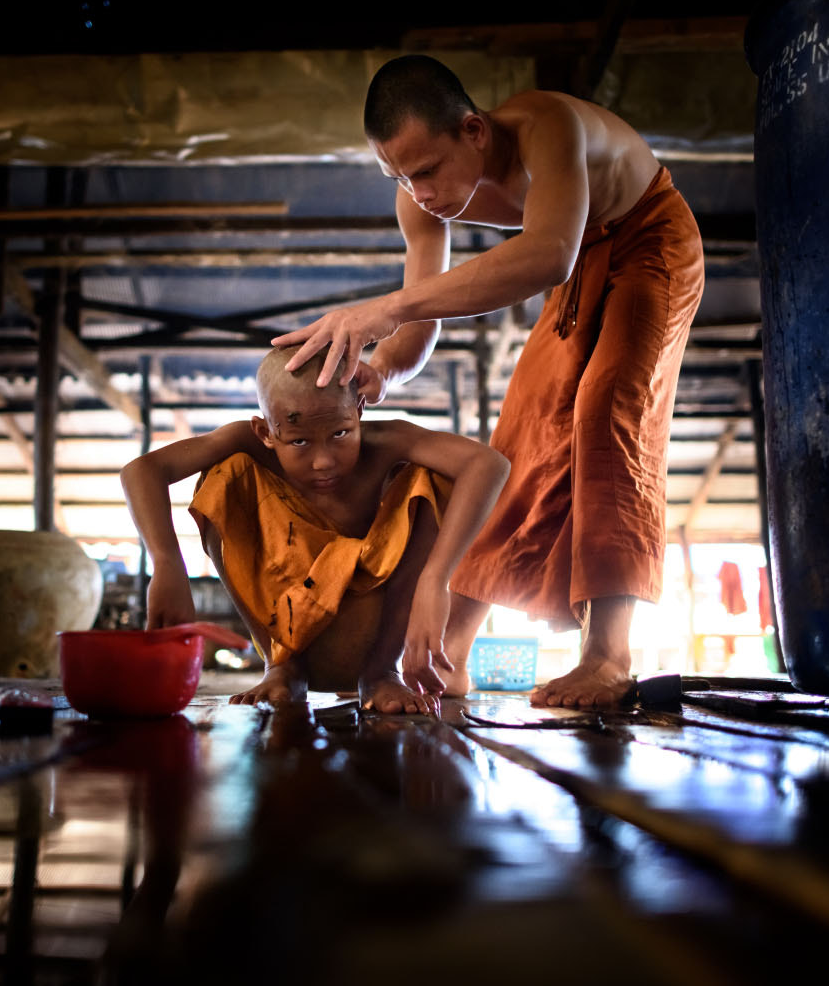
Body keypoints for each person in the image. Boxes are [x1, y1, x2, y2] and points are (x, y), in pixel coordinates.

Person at [273, 54, 705, 709]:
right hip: (578, 259)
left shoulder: (548, 125)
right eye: (398, 175)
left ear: (474, 131)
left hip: (650, 237)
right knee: (517, 437)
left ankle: (609, 654)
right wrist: (380, 366)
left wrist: (383, 310)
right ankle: (449, 654)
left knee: (605, 409)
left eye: (425, 170)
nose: (417, 192)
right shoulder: (417, 199)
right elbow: (417, 329)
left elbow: (548, 254)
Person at [119, 344, 509, 715]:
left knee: (435, 478)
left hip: (377, 627)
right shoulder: (247, 444)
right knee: (221, 478)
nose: (323, 461)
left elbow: (488, 465)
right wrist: (167, 563)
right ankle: (281, 668)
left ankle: (381, 673)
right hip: (287, 627)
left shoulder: (389, 441)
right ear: (265, 433)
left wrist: (434, 580)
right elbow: (142, 470)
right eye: (299, 440)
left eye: (340, 434)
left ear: (358, 410)